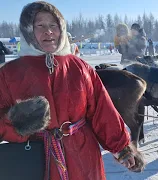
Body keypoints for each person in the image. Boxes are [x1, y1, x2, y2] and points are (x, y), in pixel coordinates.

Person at [0, 1, 144, 180]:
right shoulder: (9, 73)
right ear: (28, 31)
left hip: (83, 157)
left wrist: (122, 147)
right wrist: (16, 123)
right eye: (40, 25)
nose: (49, 31)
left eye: (54, 25)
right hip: (35, 158)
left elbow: (102, 109)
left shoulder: (80, 67)